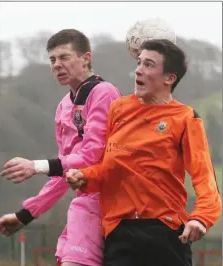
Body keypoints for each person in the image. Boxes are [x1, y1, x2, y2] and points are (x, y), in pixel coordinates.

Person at [66, 39, 222, 266]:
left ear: (169, 78)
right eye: (139, 63)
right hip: (119, 232)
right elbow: (110, 168)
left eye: (149, 64)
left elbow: (204, 177)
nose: (138, 69)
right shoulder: (119, 109)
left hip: (165, 232)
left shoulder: (185, 118)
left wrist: (201, 218)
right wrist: (85, 176)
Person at [0, 29, 121, 266]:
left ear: (86, 58)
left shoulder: (103, 93)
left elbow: (93, 156)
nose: (56, 65)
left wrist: (35, 166)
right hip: (84, 205)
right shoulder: (64, 106)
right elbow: (62, 171)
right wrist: (25, 215)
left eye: (64, 57)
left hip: (111, 201)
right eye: (52, 60)